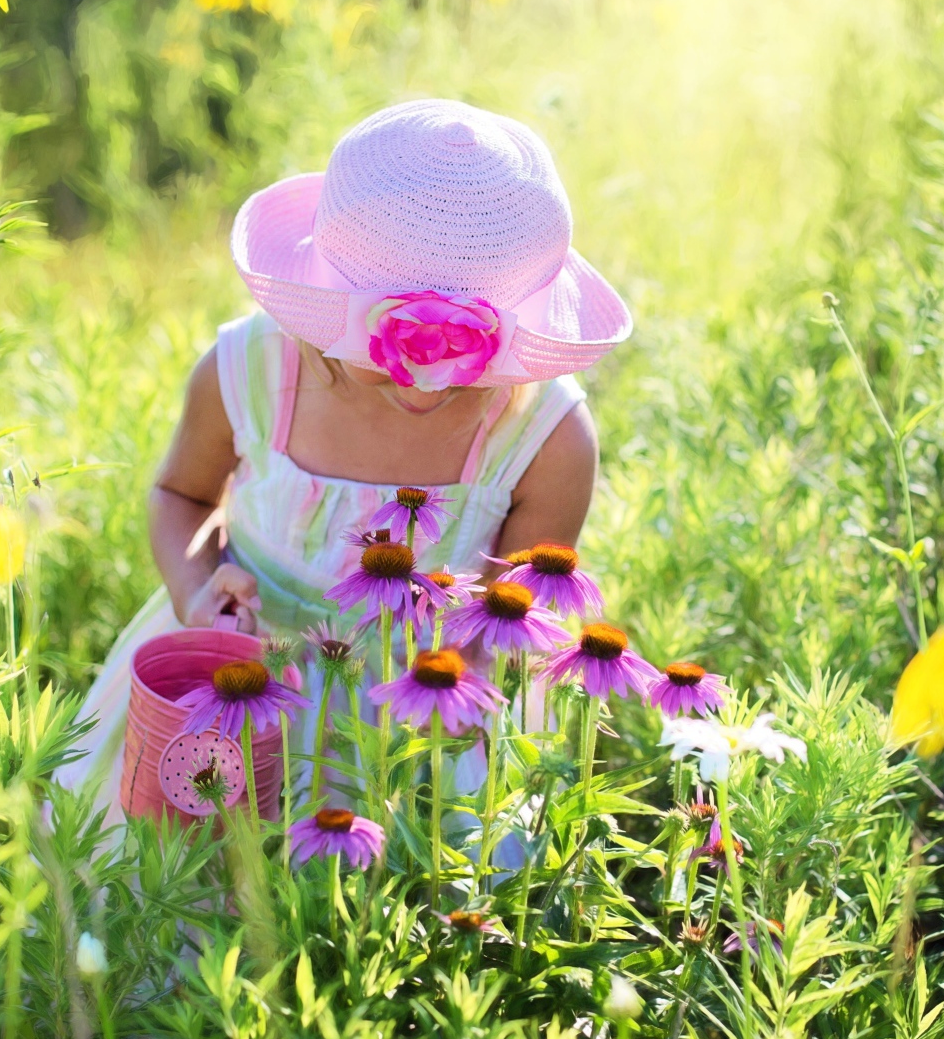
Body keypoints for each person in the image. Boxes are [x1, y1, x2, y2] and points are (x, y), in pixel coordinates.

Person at [56, 99, 632, 826]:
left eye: (460, 358)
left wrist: (470, 684)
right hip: (241, 674)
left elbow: (515, 613)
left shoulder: (545, 435)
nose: (426, 377)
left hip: (417, 709)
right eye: (397, 354)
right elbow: (182, 494)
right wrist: (196, 590)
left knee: (403, 899)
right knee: (184, 884)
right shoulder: (249, 373)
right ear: (322, 309)